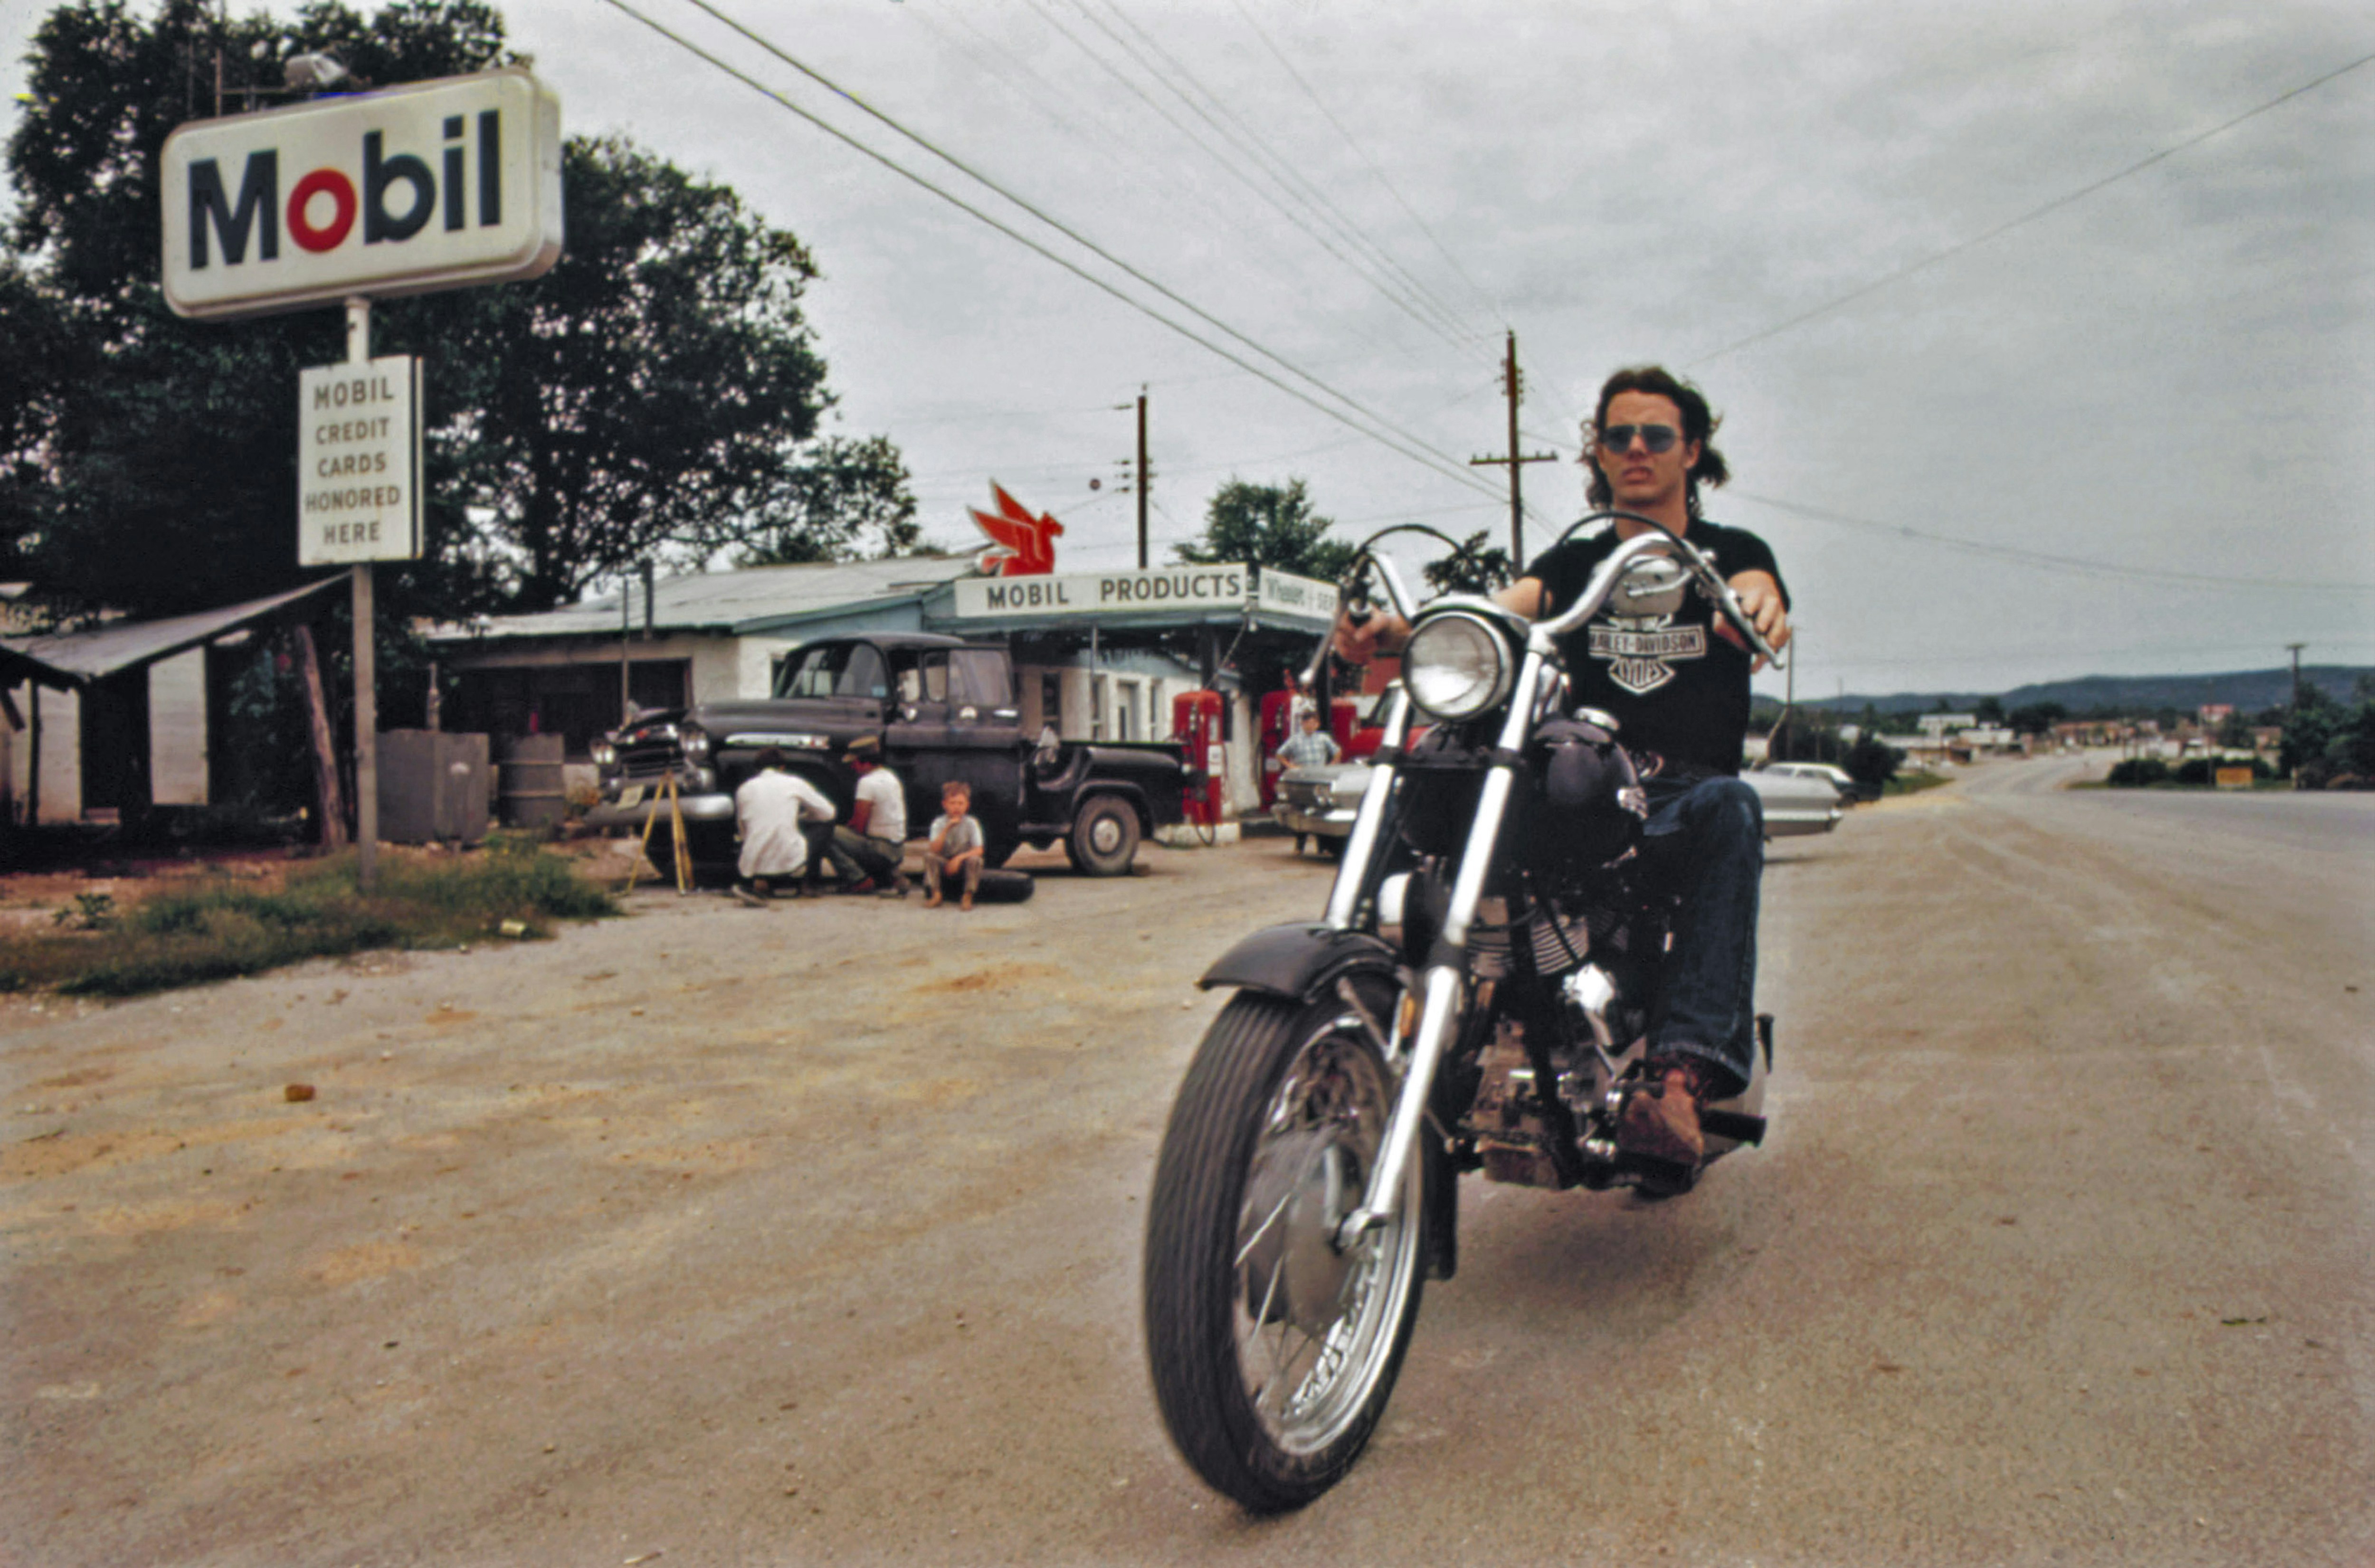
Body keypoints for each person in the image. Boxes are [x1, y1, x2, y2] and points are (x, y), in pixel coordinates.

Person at [1334, 365, 1791, 1168]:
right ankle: (1366, 1007)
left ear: (1691, 452)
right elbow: (1496, 612)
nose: (1637, 448)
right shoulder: (1574, 561)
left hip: (1683, 789)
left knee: (1734, 806)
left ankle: (1678, 1083)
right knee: (1439, 780)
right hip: (1586, 774)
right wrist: (1396, 632)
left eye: (1657, 435)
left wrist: (1758, 608)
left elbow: (1761, 593)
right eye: (1619, 436)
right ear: (1600, 454)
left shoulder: (1728, 554)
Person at [732, 747, 837, 907]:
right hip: (791, 863)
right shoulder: (794, 783)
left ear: (757, 768)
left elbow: (743, 829)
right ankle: (809, 882)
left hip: (753, 864)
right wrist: (803, 818)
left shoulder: (744, 788)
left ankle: (763, 880)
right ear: (782, 767)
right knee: (825, 825)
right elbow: (829, 813)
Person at [824, 735, 911, 897]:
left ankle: (859, 880)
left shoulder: (867, 783)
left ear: (864, 761)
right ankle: (887, 876)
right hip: (897, 849)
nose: (852, 767)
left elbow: (859, 826)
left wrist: (844, 831)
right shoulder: (891, 777)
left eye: (854, 763)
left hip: (880, 849)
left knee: (826, 834)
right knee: (845, 837)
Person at [1273, 708, 1341, 854]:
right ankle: (1300, 846)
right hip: (1303, 780)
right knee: (1302, 812)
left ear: (1318, 724)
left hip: (1320, 779)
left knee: (1321, 812)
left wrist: (1332, 765)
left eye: (1314, 723)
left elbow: (1337, 751)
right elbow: (1280, 754)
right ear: (1303, 724)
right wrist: (1291, 767)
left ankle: (1323, 847)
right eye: (1308, 723)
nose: (1311, 726)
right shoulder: (1295, 740)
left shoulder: (1323, 738)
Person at [921, 779, 987, 911]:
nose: (957, 807)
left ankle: (968, 896)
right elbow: (934, 850)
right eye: (953, 803)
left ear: (967, 805)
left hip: (963, 863)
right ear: (945, 805)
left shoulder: (972, 823)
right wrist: (947, 829)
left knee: (976, 860)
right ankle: (936, 894)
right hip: (944, 862)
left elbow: (979, 850)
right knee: (929, 857)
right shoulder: (938, 823)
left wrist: (959, 859)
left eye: (961, 804)